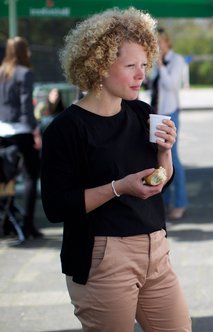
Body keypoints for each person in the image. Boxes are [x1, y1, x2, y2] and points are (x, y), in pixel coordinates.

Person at [40, 8, 191, 331]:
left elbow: (159, 180)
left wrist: (165, 154)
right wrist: (118, 187)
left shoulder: (141, 113)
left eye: (143, 65)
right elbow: (56, 207)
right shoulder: (66, 129)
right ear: (99, 67)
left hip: (156, 249)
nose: (141, 75)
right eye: (130, 66)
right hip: (103, 257)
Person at [0, 36, 43, 239]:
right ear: (23, 51)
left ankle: (8, 221)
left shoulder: (2, 72)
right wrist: (35, 131)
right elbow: (27, 106)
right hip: (21, 131)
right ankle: (27, 224)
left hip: (3, 132)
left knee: (7, 175)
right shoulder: (25, 73)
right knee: (31, 176)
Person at [150, 27, 188, 220]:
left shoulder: (177, 60)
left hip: (170, 113)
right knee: (157, 160)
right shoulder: (155, 63)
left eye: (160, 42)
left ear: (167, 42)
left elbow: (172, 85)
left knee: (173, 158)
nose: (157, 46)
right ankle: (161, 202)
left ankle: (180, 202)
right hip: (155, 113)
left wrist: (161, 66)